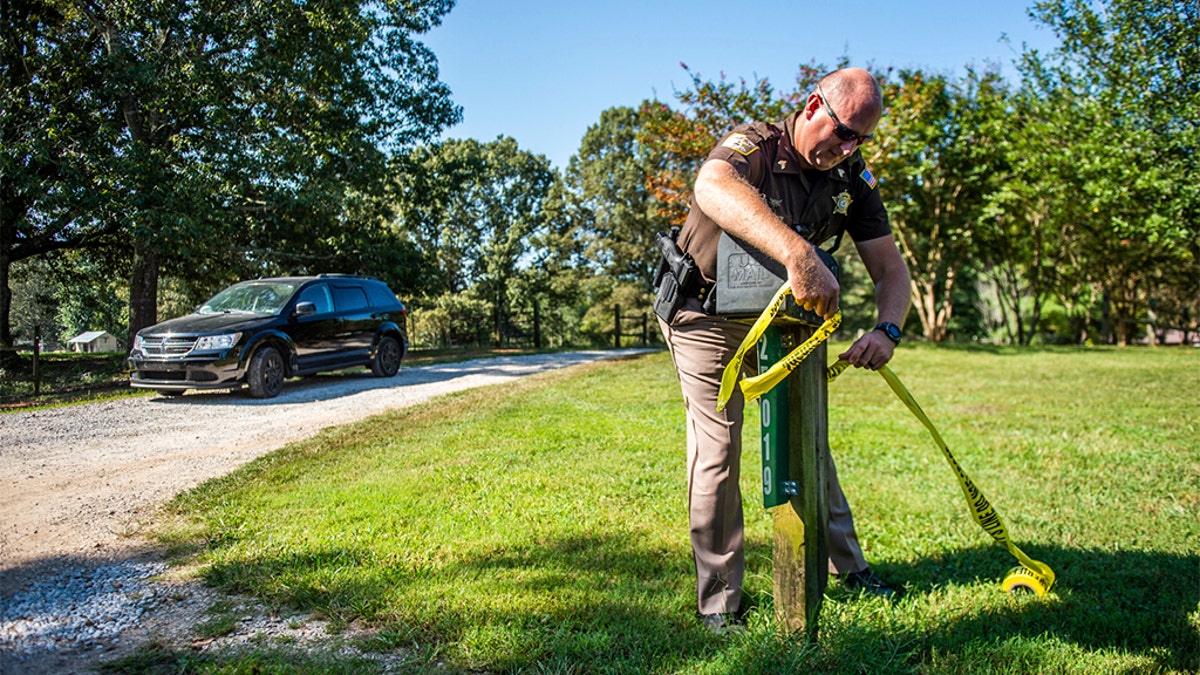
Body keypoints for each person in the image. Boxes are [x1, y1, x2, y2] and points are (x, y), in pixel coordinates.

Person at [655, 67, 912, 634]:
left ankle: (848, 568)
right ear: (814, 105)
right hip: (705, 315)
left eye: (861, 140)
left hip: (786, 326)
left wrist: (887, 330)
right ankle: (720, 602)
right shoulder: (754, 145)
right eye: (844, 132)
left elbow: (892, 270)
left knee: (807, 439)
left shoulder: (853, 178)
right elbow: (712, 186)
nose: (849, 148)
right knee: (719, 450)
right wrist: (800, 254)